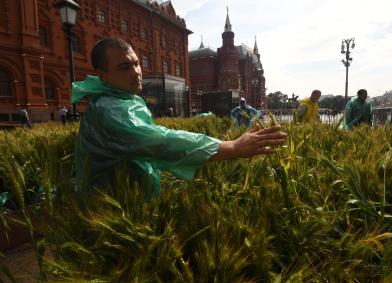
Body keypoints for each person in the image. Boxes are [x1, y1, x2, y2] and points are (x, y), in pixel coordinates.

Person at [72, 38, 286, 196]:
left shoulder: (118, 98)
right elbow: (161, 141)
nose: (136, 72)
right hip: (114, 204)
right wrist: (232, 147)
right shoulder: (110, 110)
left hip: (128, 197)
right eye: (124, 67)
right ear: (103, 75)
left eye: (136, 63)